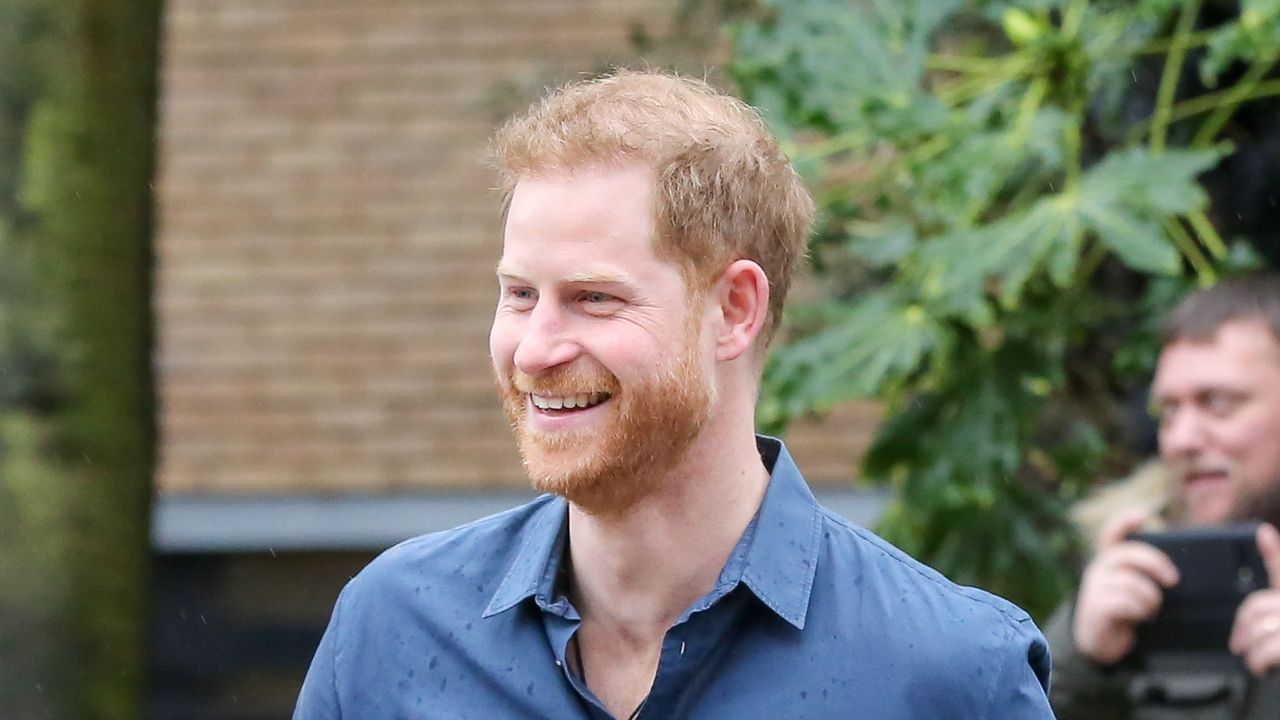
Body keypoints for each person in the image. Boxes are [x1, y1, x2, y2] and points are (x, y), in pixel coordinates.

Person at [293, 69, 1053, 720]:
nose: (534, 349)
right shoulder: (394, 629)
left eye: (593, 298)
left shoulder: (953, 676)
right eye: (520, 294)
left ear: (735, 310)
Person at [1047, 274, 1280, 719]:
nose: (1180, 440)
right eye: (1169, 411)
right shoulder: (1142, 568)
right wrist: (1080, 658)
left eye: (1218, 402)